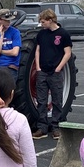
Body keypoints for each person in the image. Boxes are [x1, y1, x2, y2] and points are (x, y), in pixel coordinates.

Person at [32, 8, 73, 140]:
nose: (42, 24)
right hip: (42, 72)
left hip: (55, 72)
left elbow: (68, 53)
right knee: (41, 101)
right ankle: (42, 127)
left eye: (43, 22)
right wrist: (38, 67)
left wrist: (59, 67)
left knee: (57, 100)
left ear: (50, 20)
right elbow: (37, 51)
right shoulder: (42, 34)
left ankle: (56, 127)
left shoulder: (63, 34)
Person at [0, 9, 21, 78]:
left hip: (11, 66)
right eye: (6, 20)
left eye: (9, 20)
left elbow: (15, 52)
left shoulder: (15, 32)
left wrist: (0, 51)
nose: (9, 22)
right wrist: (1, 36)